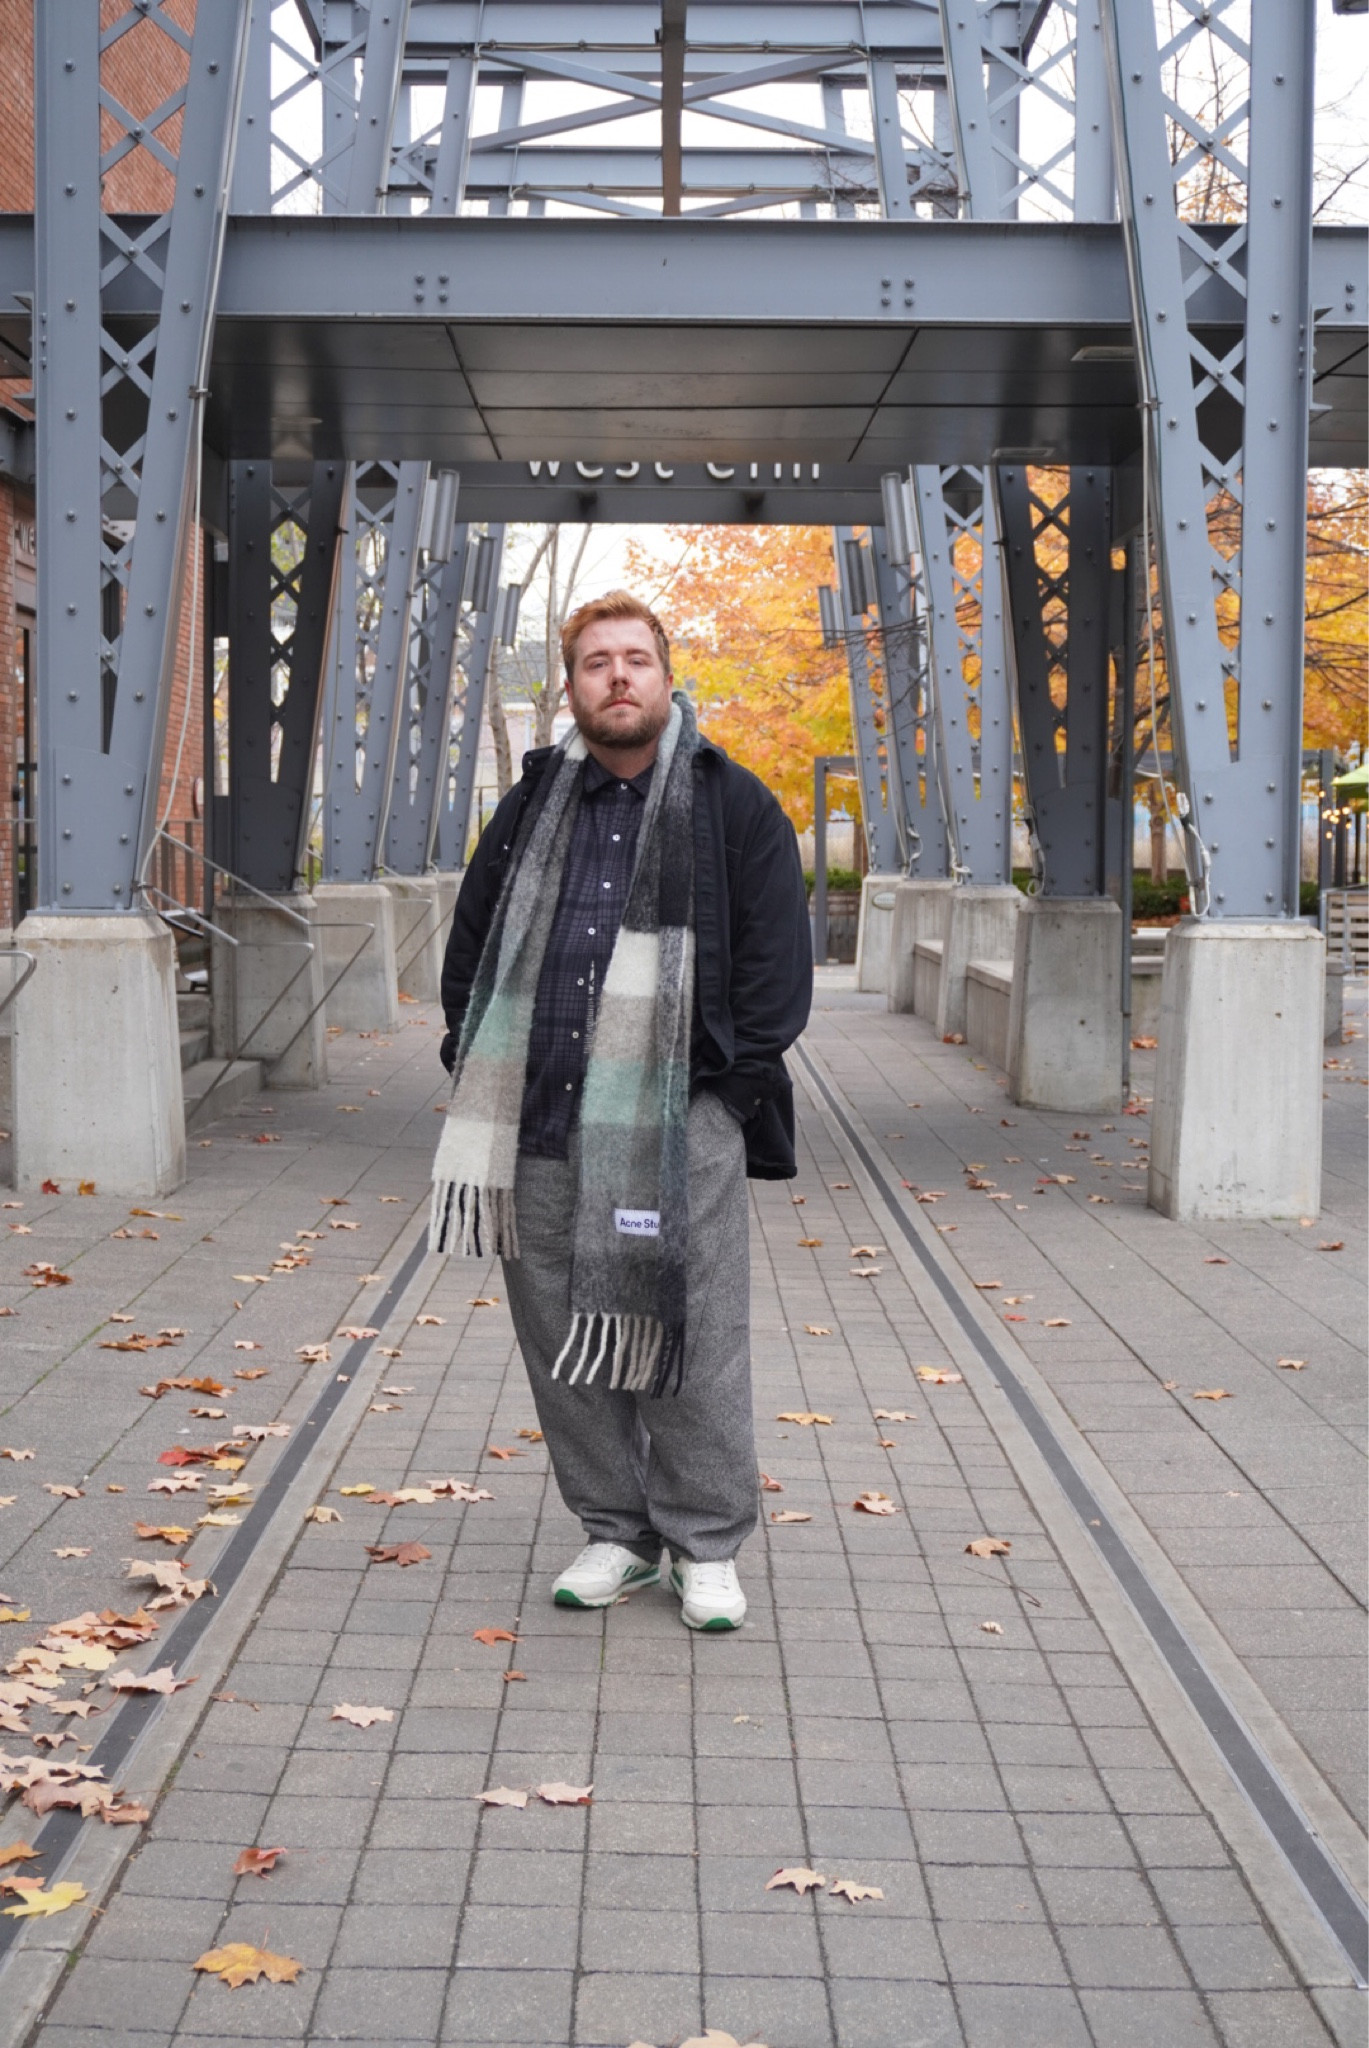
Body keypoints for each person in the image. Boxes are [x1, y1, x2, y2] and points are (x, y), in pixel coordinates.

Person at [432, 590, 812, 1630]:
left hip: (675, 1124)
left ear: (665, 674)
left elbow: (779, 969)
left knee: (689, 1337)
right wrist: (469, 1060)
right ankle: (614, 1529)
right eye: (595, 660)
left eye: (634, 658)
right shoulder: (528, 807)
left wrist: (725, 1102)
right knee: (564, 1338)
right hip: (538, 1119)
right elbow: (471, 948)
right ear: (570, 685)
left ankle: (705, 1541)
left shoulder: (731, 804)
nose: (616, 676)